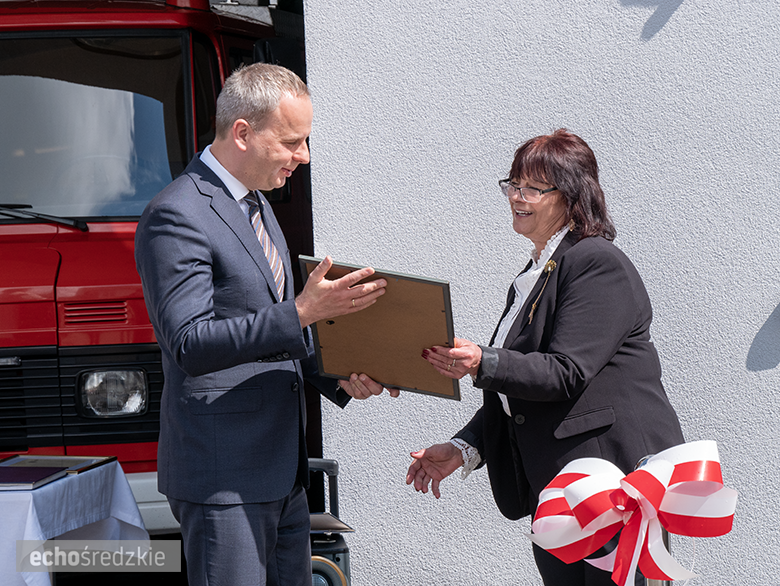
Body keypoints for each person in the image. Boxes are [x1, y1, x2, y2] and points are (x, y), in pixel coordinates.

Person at [134, 63, 392, 586]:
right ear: (243, 133)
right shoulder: (176, 214)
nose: (305, 156)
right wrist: (302, 311)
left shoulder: (255, 202)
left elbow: (268, 335)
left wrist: (334, 377)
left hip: (280, 472)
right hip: (223, 477)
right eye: (293, 142)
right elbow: (190, 342)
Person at [406, 129, 684, 586]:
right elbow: (520, 396)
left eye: (534, 187)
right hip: (561, 491)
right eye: (513, 184)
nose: (518, 196)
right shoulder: (536, 274)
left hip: (609, 491)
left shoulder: (596, 262)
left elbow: (566, 372)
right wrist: (463, 449)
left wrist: (483, 361)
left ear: (572, 196)